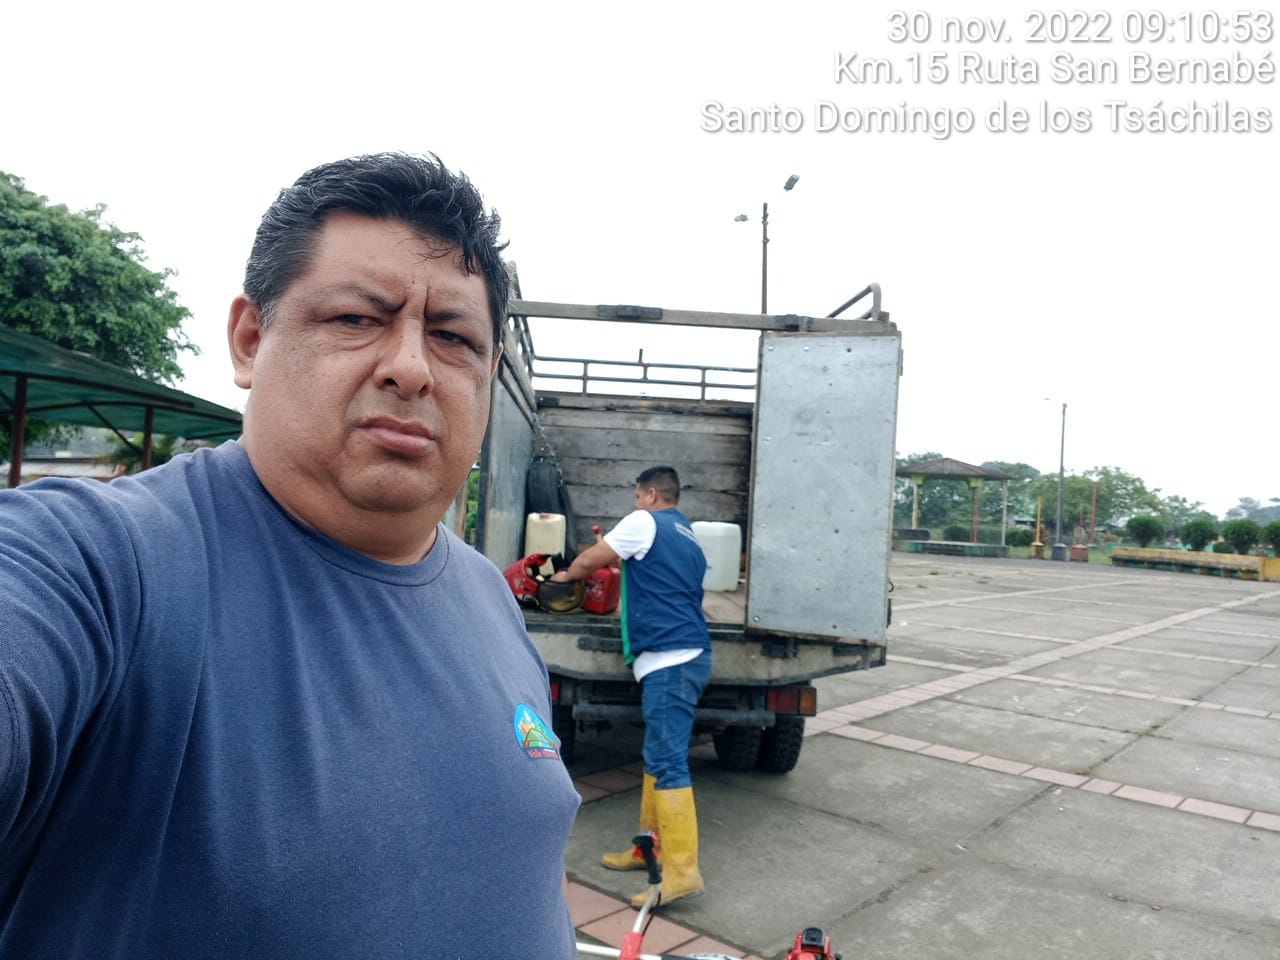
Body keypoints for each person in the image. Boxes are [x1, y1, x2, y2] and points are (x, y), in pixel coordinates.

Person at [0, 153, 580, 958]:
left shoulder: (489, 598)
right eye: (356, 318)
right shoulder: (104, 563)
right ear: (250, 340)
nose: (411, 368)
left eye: (453, 338)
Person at [551, 466, 710, 907]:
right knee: (657, 758)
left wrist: (565, 578)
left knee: (668, 762)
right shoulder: (687, 532)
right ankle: (648, 849)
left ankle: (682, 872)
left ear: (651, 494)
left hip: (671, 659)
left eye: (638, 496)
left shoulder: (645, 522)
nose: (636, 504)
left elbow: (592, 560)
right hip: (681, 655)